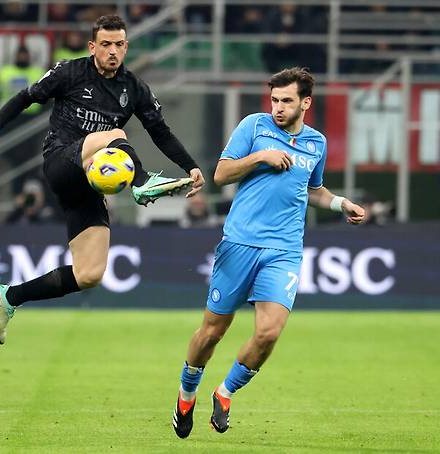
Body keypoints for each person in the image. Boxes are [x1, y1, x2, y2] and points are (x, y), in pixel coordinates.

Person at [0, 14, 205, 345]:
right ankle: (141, 182)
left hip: (88, 185)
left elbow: (160, 132)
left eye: (118, 45)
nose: (112, 51)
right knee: (114, 133)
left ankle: (9, 297)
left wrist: (190, 166)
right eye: (105, 44)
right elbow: (26, 97)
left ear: (126, 47)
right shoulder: (70, 71)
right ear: (92, 46)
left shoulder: (133, 88)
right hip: (61, 161)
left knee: (89, 274)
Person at [171, 67, 365, 438]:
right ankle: (186, 392)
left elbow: (313, 188)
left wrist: (341, 203)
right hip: (240, 243)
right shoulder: (253, 127)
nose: (277, 107)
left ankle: (224, 393)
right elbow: (222, 174)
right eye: (274, 99)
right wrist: (262, 157)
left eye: (286, 100)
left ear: (305, 103)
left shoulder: (316, 143)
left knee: (269, 333)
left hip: (284, 250)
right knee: (212, 332)